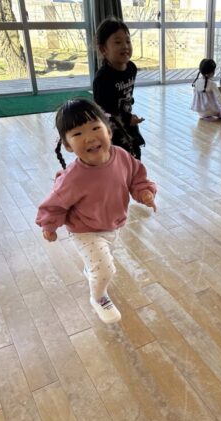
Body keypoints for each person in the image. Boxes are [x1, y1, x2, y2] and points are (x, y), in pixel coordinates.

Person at [36, 98, 157, 324]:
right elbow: (54, 204)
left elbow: (136, 177)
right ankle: (99, 298)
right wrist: (49, 225)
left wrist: (144, 192)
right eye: (78, 134)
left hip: (113, 224)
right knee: (106, 270)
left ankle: (92, 270)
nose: (90, 138)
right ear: (68, 145)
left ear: (108, 131)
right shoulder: (73, 178)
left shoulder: (122, 156)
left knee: (100, 263)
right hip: (85, 230)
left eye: (95, 128)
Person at [93, 18, 145, 160]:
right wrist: (127, 118)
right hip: (111, 128)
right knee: (117, 159)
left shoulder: (131, 68)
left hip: (127, 122)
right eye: (117, 42)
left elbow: (126, 94)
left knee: (135, 154)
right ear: (103, 49)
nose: (125, 46)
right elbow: (104, 110)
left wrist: (129, 109)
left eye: (128, 41)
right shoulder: (103, 78)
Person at [191, 58, 221, 124]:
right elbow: (219, 97)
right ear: (212, 72)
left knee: (210, 107)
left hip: (200, 112)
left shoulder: (196, 82)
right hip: (211, 110)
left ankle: (207, 117)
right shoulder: (212, 84)